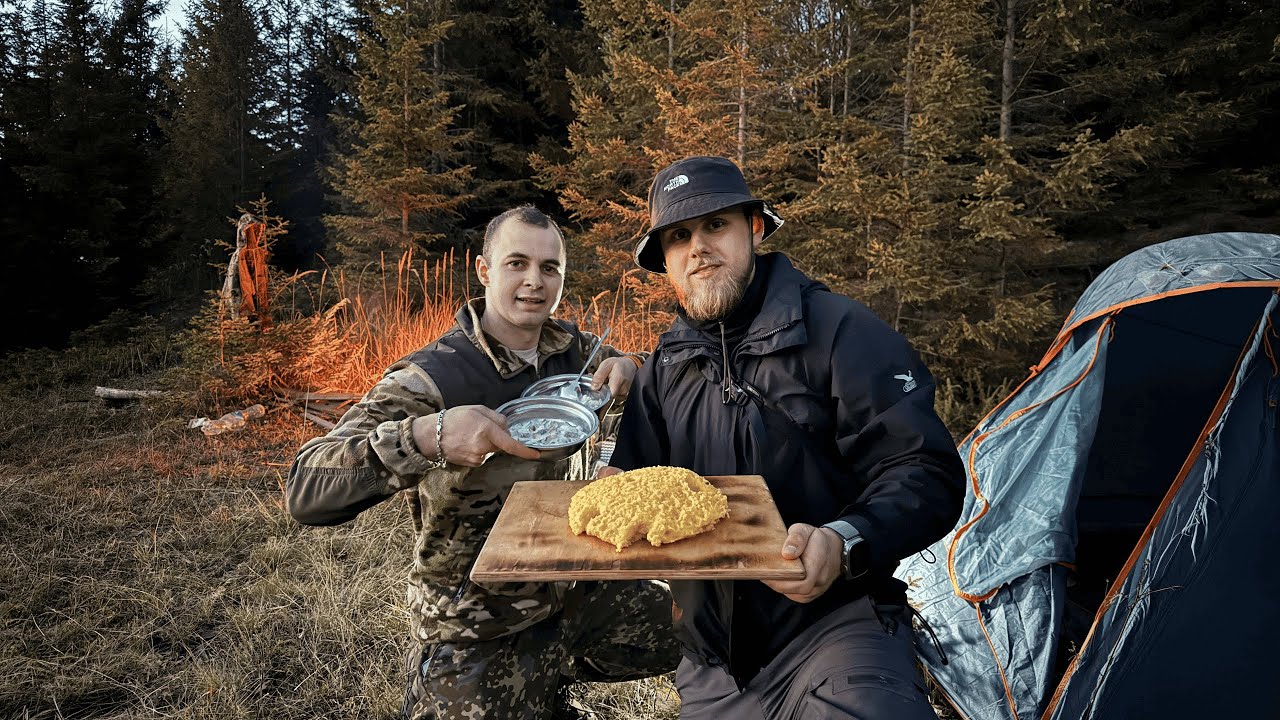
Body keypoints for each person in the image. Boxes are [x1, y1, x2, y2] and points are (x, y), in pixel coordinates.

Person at [601, 156, 966, 719]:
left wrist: (845, 541)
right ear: (667, 261)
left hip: (835, 630)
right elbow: (631, 475)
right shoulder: (664, 365)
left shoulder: (842, 333)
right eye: (678, 237)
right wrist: (608, 489)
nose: (697, 247)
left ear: (754, 228)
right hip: (712, 666)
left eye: (715, 225)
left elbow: (924, 470)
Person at [287, 205, 680, 720]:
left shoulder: (575, 351)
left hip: (580, 586)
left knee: (704, 625)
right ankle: (522, 682)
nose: (534, 282)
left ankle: (544, 676)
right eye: (516, 263)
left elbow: (657, 379)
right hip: (479, 616)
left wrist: (636, 366)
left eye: (549, 268)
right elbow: (306, 488)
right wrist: (430, 437)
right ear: (483, 270)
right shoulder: (430, 377)